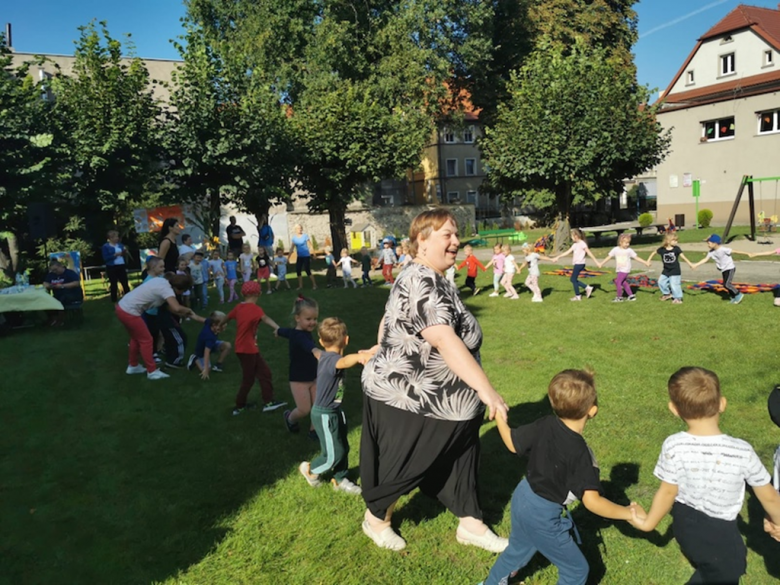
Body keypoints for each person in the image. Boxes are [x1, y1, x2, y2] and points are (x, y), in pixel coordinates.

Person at [359, 208, 509, 553]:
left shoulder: (429, 274)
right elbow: (443, 338)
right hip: (410, 398)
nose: (456, 242)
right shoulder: (422, 279)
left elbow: (388, 315)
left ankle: (471, 524)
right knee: (406, 462)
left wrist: (383, 343)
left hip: (450, 402)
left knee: (461, 457)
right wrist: (487, 391)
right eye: (447, 235)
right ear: (422, 241)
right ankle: (376, 520)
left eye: (457, 234)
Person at [479, 370, 644, 585]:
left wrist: (500, 416)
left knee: (518, 549)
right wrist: (629, 513)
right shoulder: (582, 455)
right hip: (544, 516)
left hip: (523, 496)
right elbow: (593, 502)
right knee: (576, 570)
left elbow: (512, 442)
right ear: (593, 411)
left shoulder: (545, 423)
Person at [630, 367, 780, 584]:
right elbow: (770, 497)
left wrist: (648, 523)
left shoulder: (673, 445)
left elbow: (667, 491)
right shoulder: (742, 451)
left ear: (674, 409)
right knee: (729, 570)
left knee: (710, 569)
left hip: (684, 523)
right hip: (720, 532)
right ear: (722, 404)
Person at [297, 317, 364, 495]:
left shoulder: (323, 355)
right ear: (346, 340)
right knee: (333, 453)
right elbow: (343, 362)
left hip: (335, 411)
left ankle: (340, 479)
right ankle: (310, 469)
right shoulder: (333, 360)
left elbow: (317, 353)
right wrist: (359, 357)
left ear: (321, 341)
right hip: (324, 414)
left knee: (343, 446)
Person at [116, 272, 203, 380]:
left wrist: (189, 314)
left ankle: (133, 366)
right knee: (146, 340)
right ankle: (152, 372)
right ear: (179, 289)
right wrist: (188, 310)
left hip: (122, 307)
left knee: (136, 338)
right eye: (183, 291)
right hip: (130, 312)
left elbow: (172, 308)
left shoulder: (162, 281)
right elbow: (176, 308)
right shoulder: (167, 290)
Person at [226, 281, 285, 415]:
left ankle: (268, 402)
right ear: (258, 294)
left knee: (265, 373)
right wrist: (278, 328)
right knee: (249, 378)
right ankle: (239, 406)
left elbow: (227, 317)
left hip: (245, 349)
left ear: (242, 293)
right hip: (248, 350)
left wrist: (220, 325)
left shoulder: (238, 307)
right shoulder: (255, 309)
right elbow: (265, 318)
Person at [277, 295, 320, 440]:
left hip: (313, 375)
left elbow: (287, 332)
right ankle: (290, 418)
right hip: (299, 378)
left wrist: (278, 331)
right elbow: (306, 345)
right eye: (308, 319)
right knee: (304, 409)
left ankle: (313, 430)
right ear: (297, 318)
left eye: (315, 319)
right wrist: (315, 351)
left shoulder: (298, 333)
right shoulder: (299, 336)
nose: (313, 322)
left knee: (317, 405)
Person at [690, 234, 751, 304]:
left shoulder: (723, 249)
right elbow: (705, 259)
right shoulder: (711, 252)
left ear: (715, 243)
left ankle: (738, 294)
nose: (708, 245)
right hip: (724, 269)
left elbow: (735, 251)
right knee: (726, 284)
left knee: (727, 284)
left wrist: (747, 253)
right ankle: (734, 297)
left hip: (730, 268)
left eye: (709, 243)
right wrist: (696, 265)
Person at [597, 234, 651, 302]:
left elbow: (636, 257)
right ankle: (631, 296)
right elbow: (609, 257)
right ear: (620, 242)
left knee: (618, 282)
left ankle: (619, 297)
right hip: (619, 269)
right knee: (623, 282)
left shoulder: (629, 250)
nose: (627, 244)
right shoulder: (615, 249)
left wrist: (645, 262)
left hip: (625, 269)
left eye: (628, 243)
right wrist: (601, 263)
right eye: (626, 242)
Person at [645, 232, 694, 304]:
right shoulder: (662, 249)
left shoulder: (676, 249)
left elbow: (683, 257)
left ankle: (678, 298)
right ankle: (667, 294)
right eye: (674, 240)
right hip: (666, 270)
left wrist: (690, 264)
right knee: (661, 282)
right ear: (668, 241)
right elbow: (654, 252)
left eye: (676, 240)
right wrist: (648, 261)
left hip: (675, 270)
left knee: (674, 284)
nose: (676, 242)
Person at [551, 229, 600, 301]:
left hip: (579, 264)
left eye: (572, 236)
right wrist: (558, 257)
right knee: (573, 279)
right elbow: (567, 252)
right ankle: (582, 292)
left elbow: (589, 253)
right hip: (577, 264)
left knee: (573, 279)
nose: (571, 238)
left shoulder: (582, 243)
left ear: (576, 236)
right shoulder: (575, 245)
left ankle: (582, 292)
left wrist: (597, 262)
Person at [188, 311, 232, 379]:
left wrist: (190, 314)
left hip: (212, 344)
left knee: (227, 346)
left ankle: (218, 365)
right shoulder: (209, 337)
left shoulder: (210, 322)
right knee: (207, 370)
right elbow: (206, 352)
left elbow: (199, 318)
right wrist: (205, 369)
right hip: (202, 352)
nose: (224, 328)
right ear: (214, 325)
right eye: (222, 326)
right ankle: (195, 358)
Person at [43, 260, 84, 326]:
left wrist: (62, 286)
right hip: (57, 295)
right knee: (46, 300)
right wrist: (48, 285)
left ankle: (60, 320)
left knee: (61, 300)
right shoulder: (51, 275)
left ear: (61, 266)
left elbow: (76, 283)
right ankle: (53, 319)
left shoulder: (70, 273)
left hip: (72, 295)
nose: (54, 272)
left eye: (55, 269)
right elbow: (45, 283)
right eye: (52, 270)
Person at [101, 230, 130, 303]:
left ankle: (129, 298)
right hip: (111, 266)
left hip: (121, 265)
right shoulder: (106, 246)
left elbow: (123, 254)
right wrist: (114, 255)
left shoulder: (120, 245)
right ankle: (114, 299)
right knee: (113, 283)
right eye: (115, 237)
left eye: (117, 236)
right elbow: (105, 258)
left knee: (124, 282)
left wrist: (124, 252)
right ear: (110, 238)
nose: (117, 238)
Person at [291, 224, 317, 290]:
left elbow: (310, 245)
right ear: (295, 230)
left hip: (306, 256)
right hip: (300, 256)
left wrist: (314, 254)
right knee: (298, 270)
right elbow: (292, 248)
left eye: (300, 228)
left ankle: (314, 285)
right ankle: (300, 286)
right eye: (298, 228)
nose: (299, 229)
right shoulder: (294, 238)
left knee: (307, 270)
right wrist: (288, 257)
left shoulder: (305, 236)